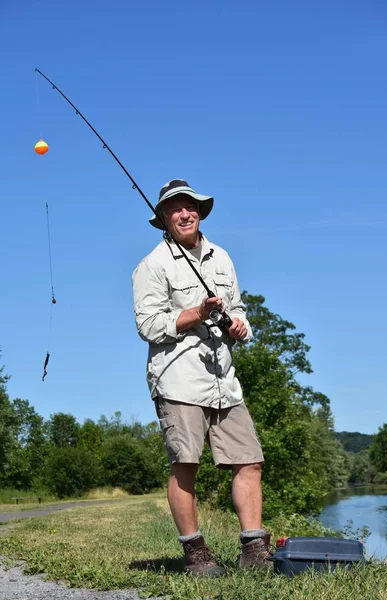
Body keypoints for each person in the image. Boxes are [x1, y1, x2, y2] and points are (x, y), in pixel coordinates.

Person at [132, 179, 273, 577]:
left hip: (224, 381)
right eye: (174, 208)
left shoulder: (222, 257)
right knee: (185, 464)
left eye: (190, 206)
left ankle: (254, 549)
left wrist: (240, 325)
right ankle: (196, 555)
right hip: (177, 381)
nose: (184, 213)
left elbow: (239, 306)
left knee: (249, 460)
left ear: (200, 212)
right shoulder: (152, 265)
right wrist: (195, 312)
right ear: (163, 217)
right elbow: (148, 324)